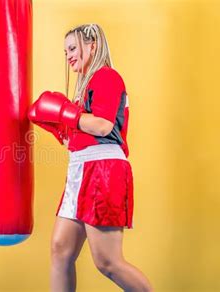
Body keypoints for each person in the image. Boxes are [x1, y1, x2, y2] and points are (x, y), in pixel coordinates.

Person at [28, 24, 152, 292]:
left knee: (108, 262)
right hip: (82, 168)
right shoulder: (85, 87)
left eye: (73, 48)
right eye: (65, 51)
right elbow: (79, 135)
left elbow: (104, 127)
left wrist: (63, 114)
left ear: (92, 45)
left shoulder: (106, 76)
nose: (68, 55)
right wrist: (58, 126)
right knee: (61, 250)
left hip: (102, 168)